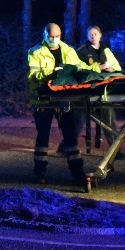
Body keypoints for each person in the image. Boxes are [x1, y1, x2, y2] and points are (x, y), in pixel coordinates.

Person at [27, 23, 100, 184]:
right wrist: (53, 74)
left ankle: (77, 171)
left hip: (65, 99)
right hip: (43, 100)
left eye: (57, 36)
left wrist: (98, 69)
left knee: (70, 135)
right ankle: (40, 171)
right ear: (44, 35)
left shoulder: (68, 51)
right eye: (51, 37)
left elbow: (81, 70)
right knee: (43, 135)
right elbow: (33, 75)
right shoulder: (35, 52)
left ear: (61, 35)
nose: (54, 39)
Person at [75, 25, 125, 161]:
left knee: (109, 121)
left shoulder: (106, 50)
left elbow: (118, 67)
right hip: (87, 92)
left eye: (95, 34)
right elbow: (78, 70)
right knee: (79, 121)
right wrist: (96, 68)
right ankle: (66, 146)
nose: (93, 36)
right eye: (90, 34)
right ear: (87, 36)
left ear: (100, 35)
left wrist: (111, 69)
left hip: (105, 91)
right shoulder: (81, 51)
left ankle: (116, 151)